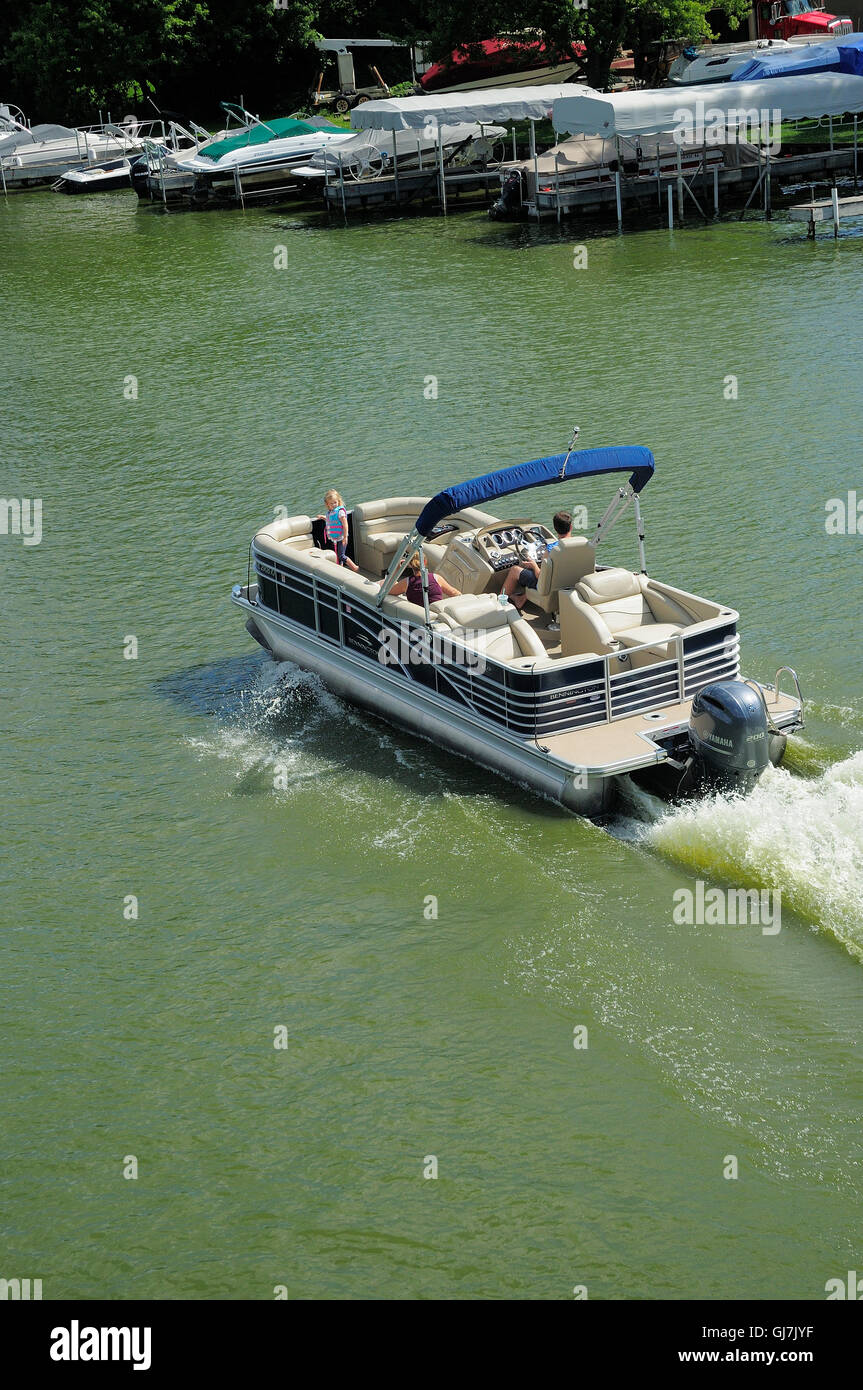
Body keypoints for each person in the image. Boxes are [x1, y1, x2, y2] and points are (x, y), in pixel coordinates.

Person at [503, 511, 573, 610]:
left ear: (555, 529)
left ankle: (500, 604)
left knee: (515, 570)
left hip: (550, 586)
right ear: (571, 527)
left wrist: (533, 565)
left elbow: (541, 577)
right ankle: (522, 598)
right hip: (571, 582)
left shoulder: (551, 549)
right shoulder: (581, 544)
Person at [388, 551, 460, 606]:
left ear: (410, 565)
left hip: (416, 618)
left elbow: (388, 590)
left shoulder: (406, 582)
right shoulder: (436, 578)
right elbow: (454, 593)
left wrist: (397, 569)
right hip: (436, 616)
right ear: (425, 562)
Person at [318, 489, 359, 571]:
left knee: (341, 556)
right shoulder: (331, 513)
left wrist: (345, 537)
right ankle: (341, 571)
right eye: (331, 503)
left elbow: (345, 524)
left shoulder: (340, 512)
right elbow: (333, 522)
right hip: (337, 538)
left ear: (338, 501)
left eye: (335, 502)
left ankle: (355, 568)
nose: (334, 505)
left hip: (342, 537)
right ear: (327, 504)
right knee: (338, 557)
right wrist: (324, 518)